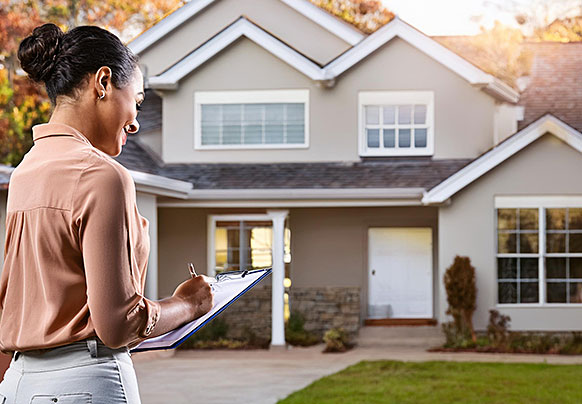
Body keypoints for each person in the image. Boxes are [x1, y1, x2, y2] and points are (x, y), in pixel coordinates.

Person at [0, 23, 213, 403]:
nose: (135, 121)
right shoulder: (103, 176)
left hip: (19, 382)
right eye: (138, 100)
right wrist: (188, 304)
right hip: (86, 382)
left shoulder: (25, 173)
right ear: (103, 82)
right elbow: (116, 324)